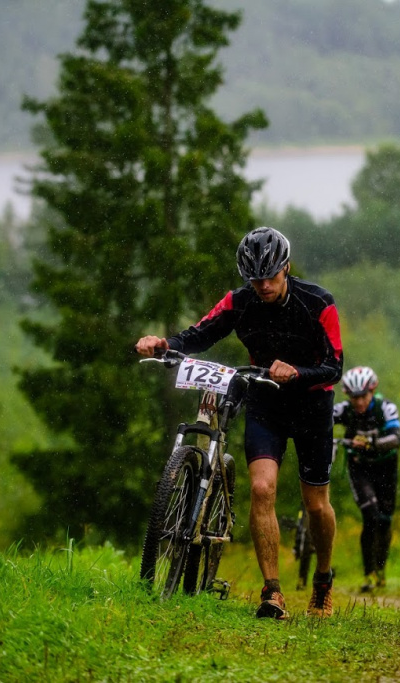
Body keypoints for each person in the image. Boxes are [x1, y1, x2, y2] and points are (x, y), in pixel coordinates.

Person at [135, 227, 343, 619]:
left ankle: (323, 579)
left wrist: (297, 371)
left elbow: (335, 367)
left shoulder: (319, 303)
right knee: (263, 489)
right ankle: (273, 592)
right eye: (255, 278)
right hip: (266, 401)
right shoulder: (239, 301)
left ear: (286, 268)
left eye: (270, 277)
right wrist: (165, 345)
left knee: (316, 505)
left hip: (312, 405)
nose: (263, 285)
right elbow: (199, 335)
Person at [333, 366, 400, 592]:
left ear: (372, 392)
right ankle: (369, 574)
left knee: (384, 520)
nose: (359, 402)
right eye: (354, 398)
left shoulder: (386, 407)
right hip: (359, 468)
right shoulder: (344, 409)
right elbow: (321, 419)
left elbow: (396, 437)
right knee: (370, 517)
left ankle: (381, 568)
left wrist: (374, 443)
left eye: (362, 397)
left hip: (386, 467)